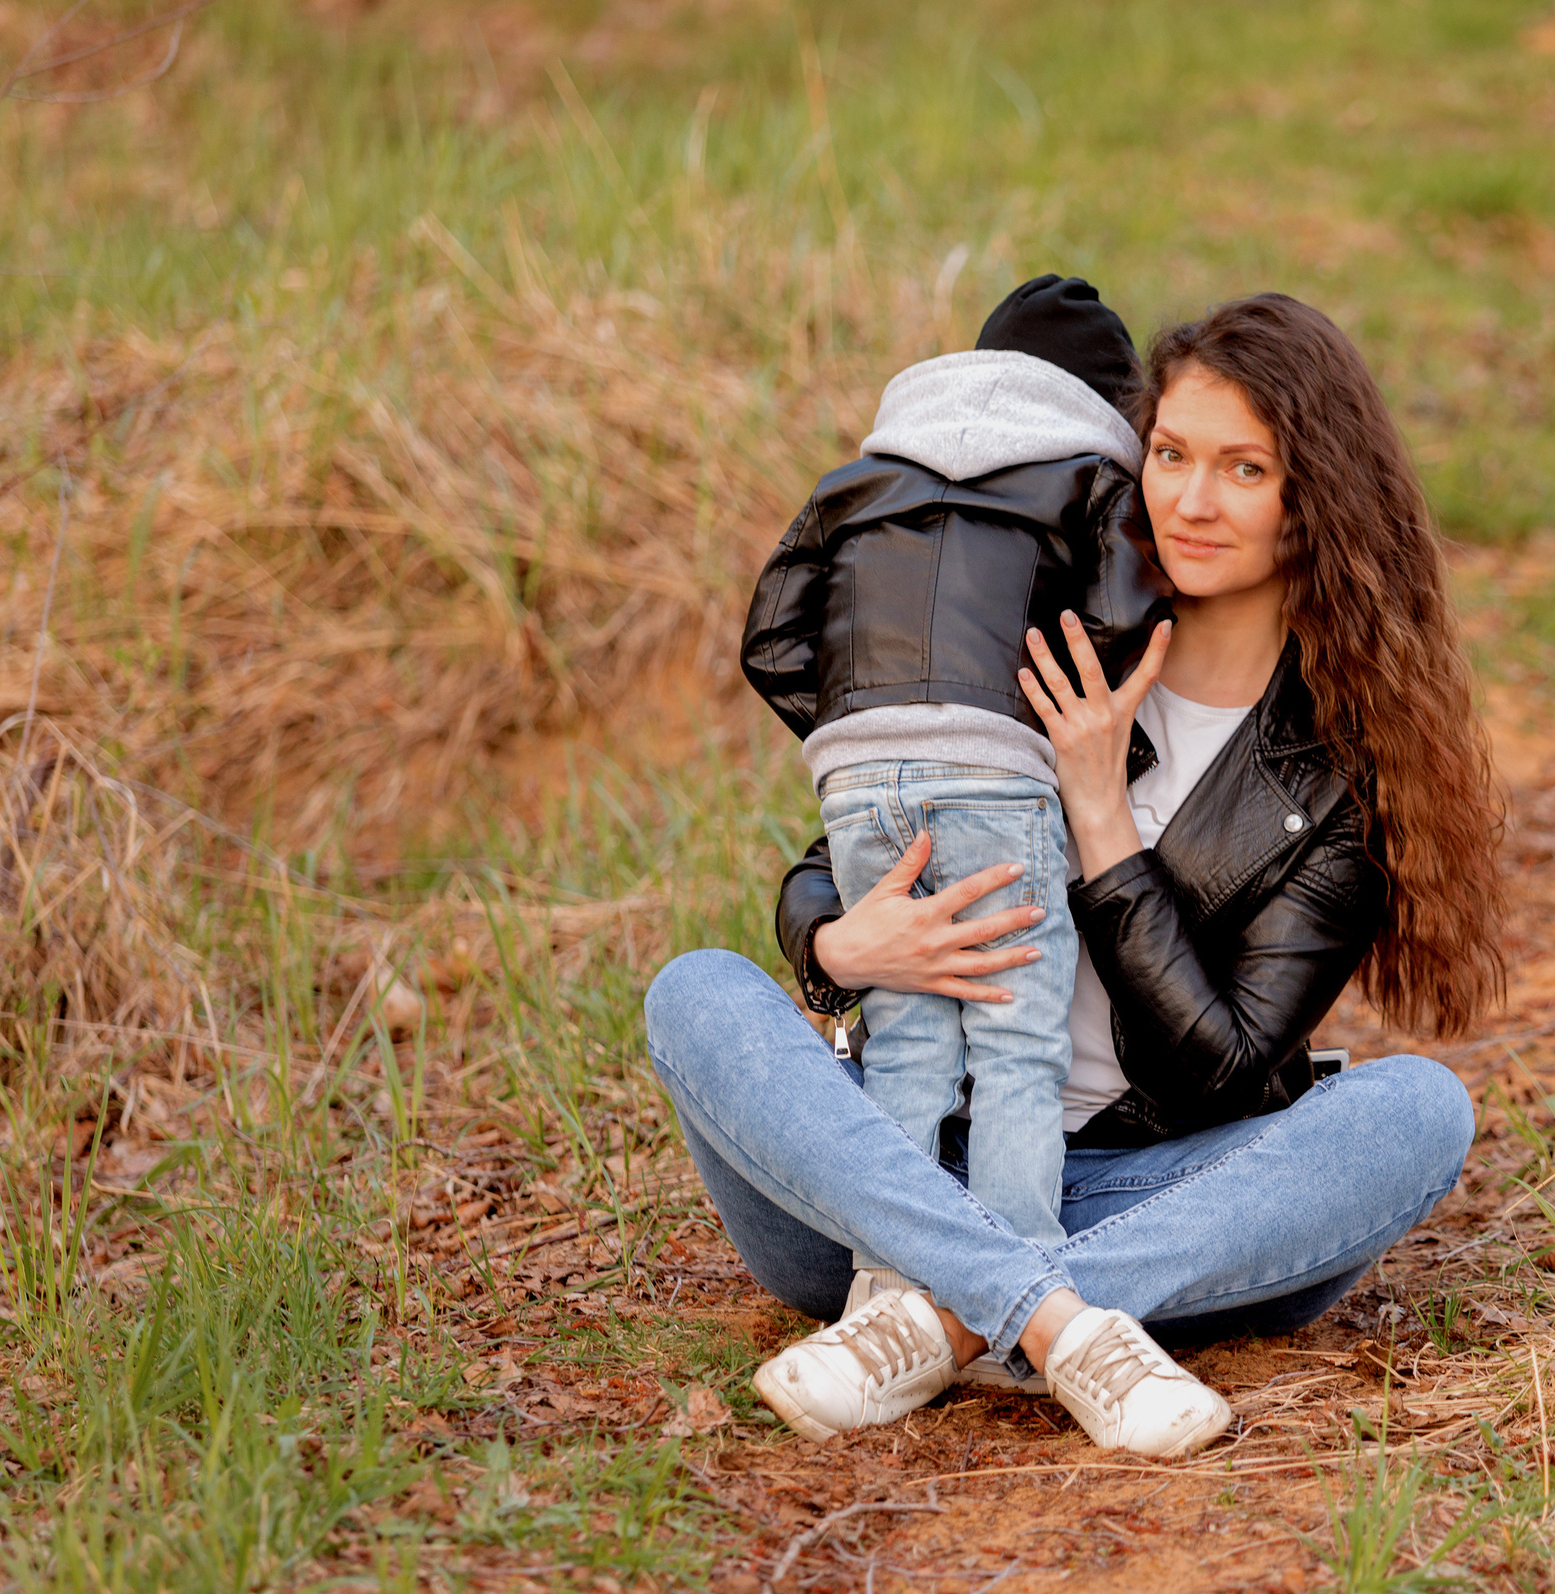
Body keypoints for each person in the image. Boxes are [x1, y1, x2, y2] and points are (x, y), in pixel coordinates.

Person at [646, 292, 1508, 1459]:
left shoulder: (1340, 777)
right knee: (695, 991)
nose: (1192, 501)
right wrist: (837, 949)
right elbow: (835, 864)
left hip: (1146, 1199)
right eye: (1171, 455)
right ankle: (1054, 1324)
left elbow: (1221, 1071)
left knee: (1416, 1110)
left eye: (1244, 469)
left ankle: (948, 1321)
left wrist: (1103, 820)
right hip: (888, 1187)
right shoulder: (1048, 627)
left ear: (1317, 502)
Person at [737, 274, 1170, 1306]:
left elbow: (770, 636)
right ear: (1109, 410)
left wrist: (853, 720)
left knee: (911, 1040)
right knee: (1018, 1041)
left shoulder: (858, 479)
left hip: (857, 779)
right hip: (995, 766)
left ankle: (886, 1285)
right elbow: (1121, 613)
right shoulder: (1085, 478)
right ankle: (1010, 1293)